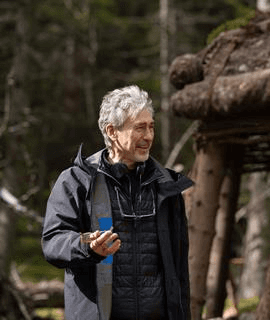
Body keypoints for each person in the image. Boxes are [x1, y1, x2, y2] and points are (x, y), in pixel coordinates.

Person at [42, 85, 193, 320]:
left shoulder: (167, 187)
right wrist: (87, 245)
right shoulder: (77, 180)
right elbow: (53, 241)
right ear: (112, 132)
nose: (149, 136)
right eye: (140, 128)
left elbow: (180, 271)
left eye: (151, 127)